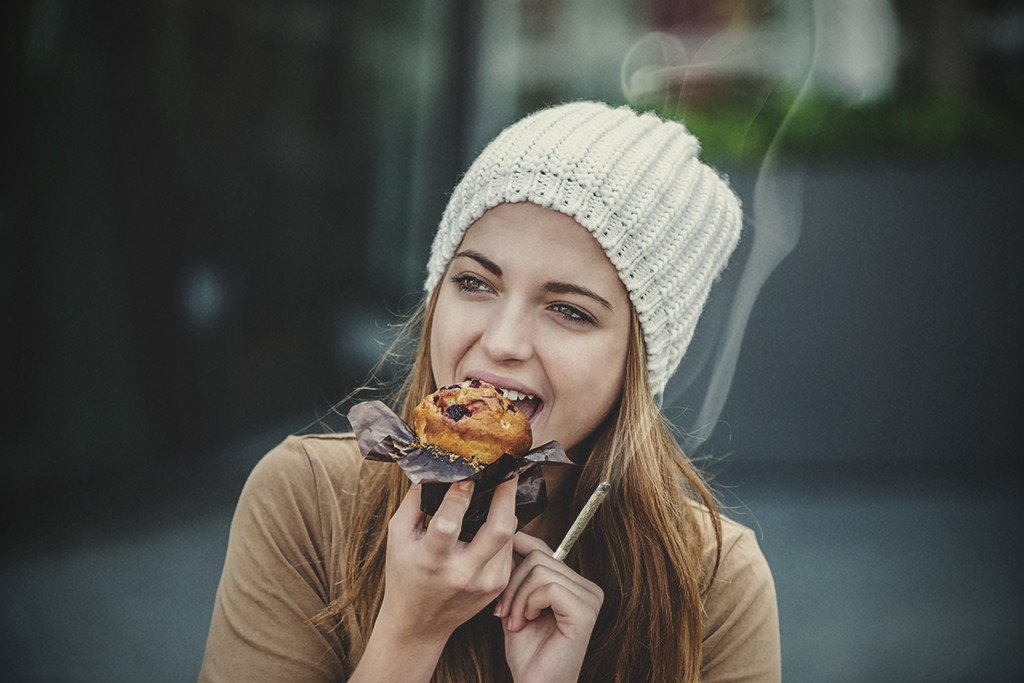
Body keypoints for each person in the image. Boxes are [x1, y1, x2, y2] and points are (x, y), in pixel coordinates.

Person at [199, 101, 780, 682]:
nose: (502, 342)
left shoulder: (714, 580)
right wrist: (410, 632)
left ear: (638, 362)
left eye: (569, 311)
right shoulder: (307, 500)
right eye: (475, 282)